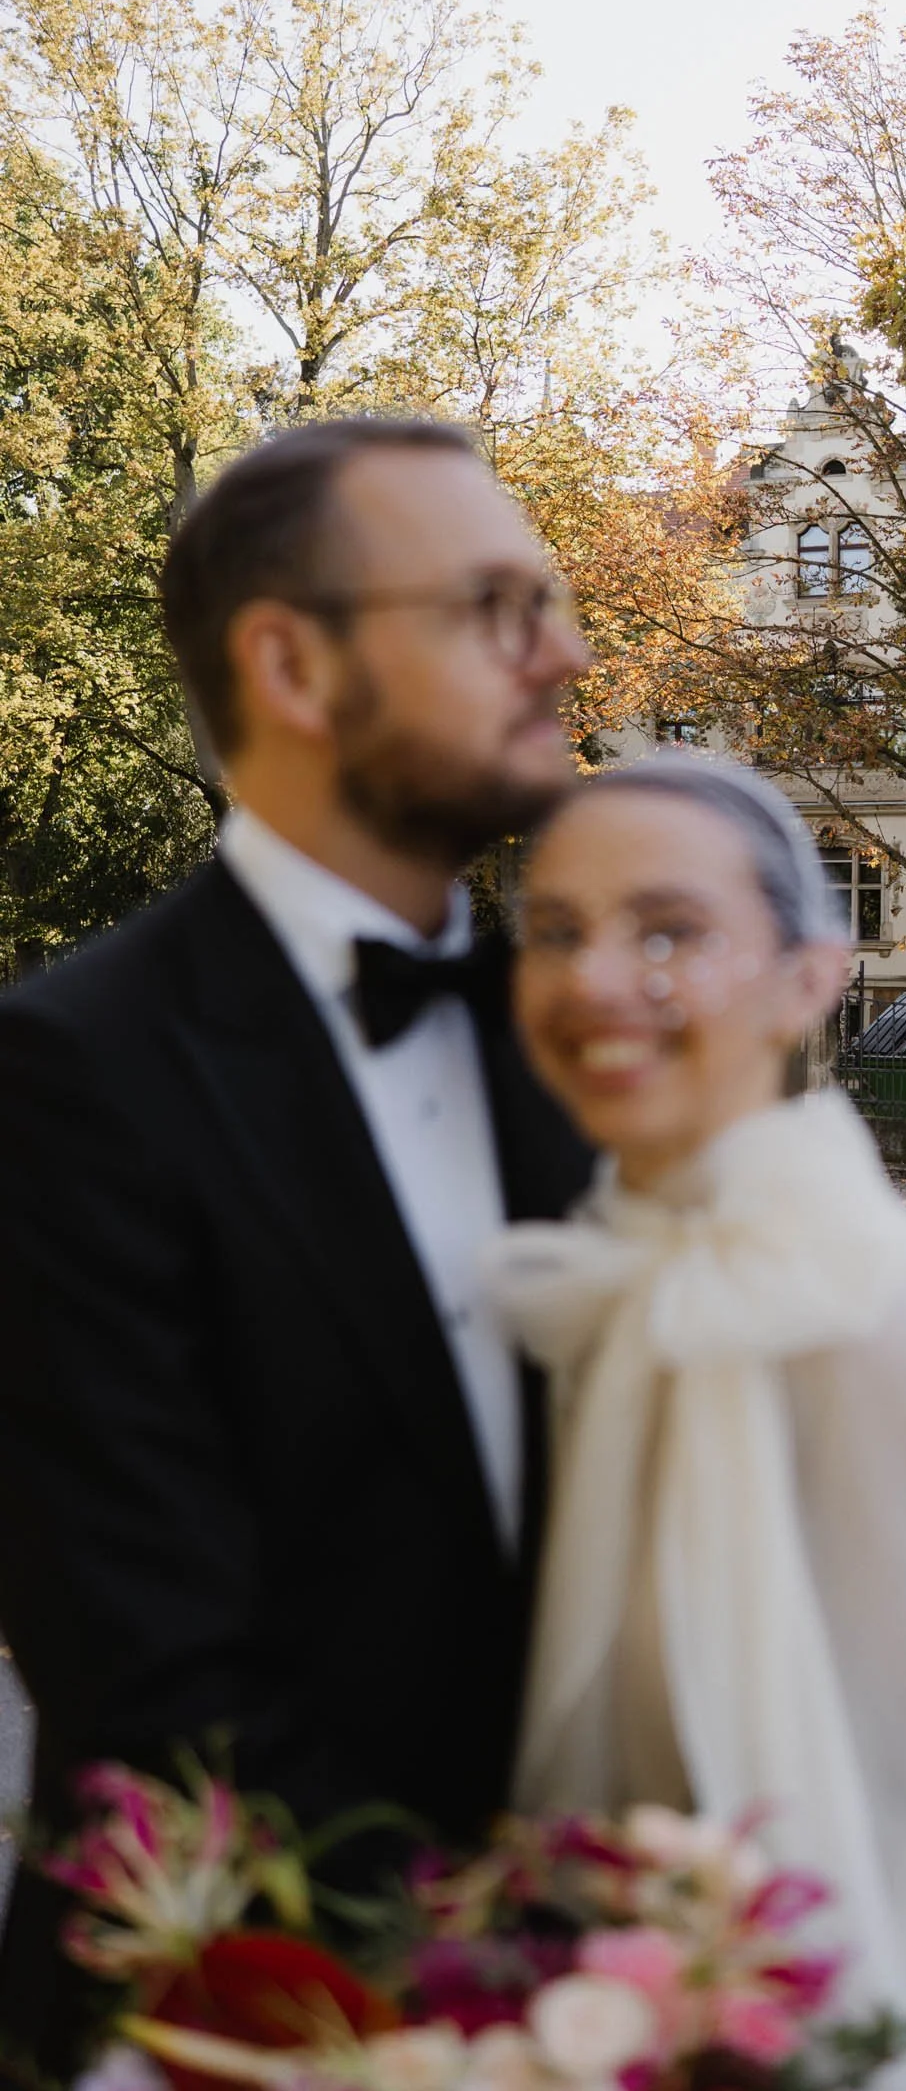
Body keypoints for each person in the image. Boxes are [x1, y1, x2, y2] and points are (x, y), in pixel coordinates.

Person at [0, 417, 593, 2082]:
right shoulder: (67, 1075)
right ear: (292, 665)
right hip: (225, 2015)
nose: (561, 652)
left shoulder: (581, 1047)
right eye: (493, 606)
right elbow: (157, 1684)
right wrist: (510, 1988)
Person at [489, 756, 906, 2059]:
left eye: (669, 930)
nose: (597, 979)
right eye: (556, 932)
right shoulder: (587, 1267)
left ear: (810, 978)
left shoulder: (878, 1311)